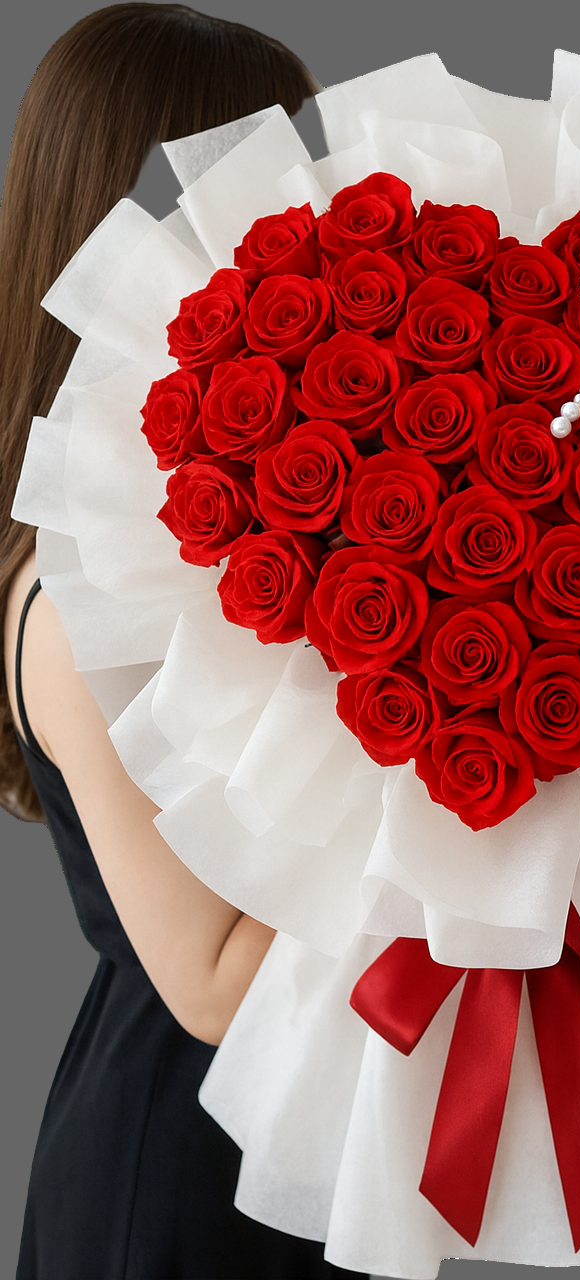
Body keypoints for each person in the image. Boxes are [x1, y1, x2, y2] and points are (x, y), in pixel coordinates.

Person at [0, 6, 368, 1278]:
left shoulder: (223, 510)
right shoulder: (71, 586)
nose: (310, 215)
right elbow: (211, 979)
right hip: (180, 1180)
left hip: (302, 1141)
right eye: (268, 176)